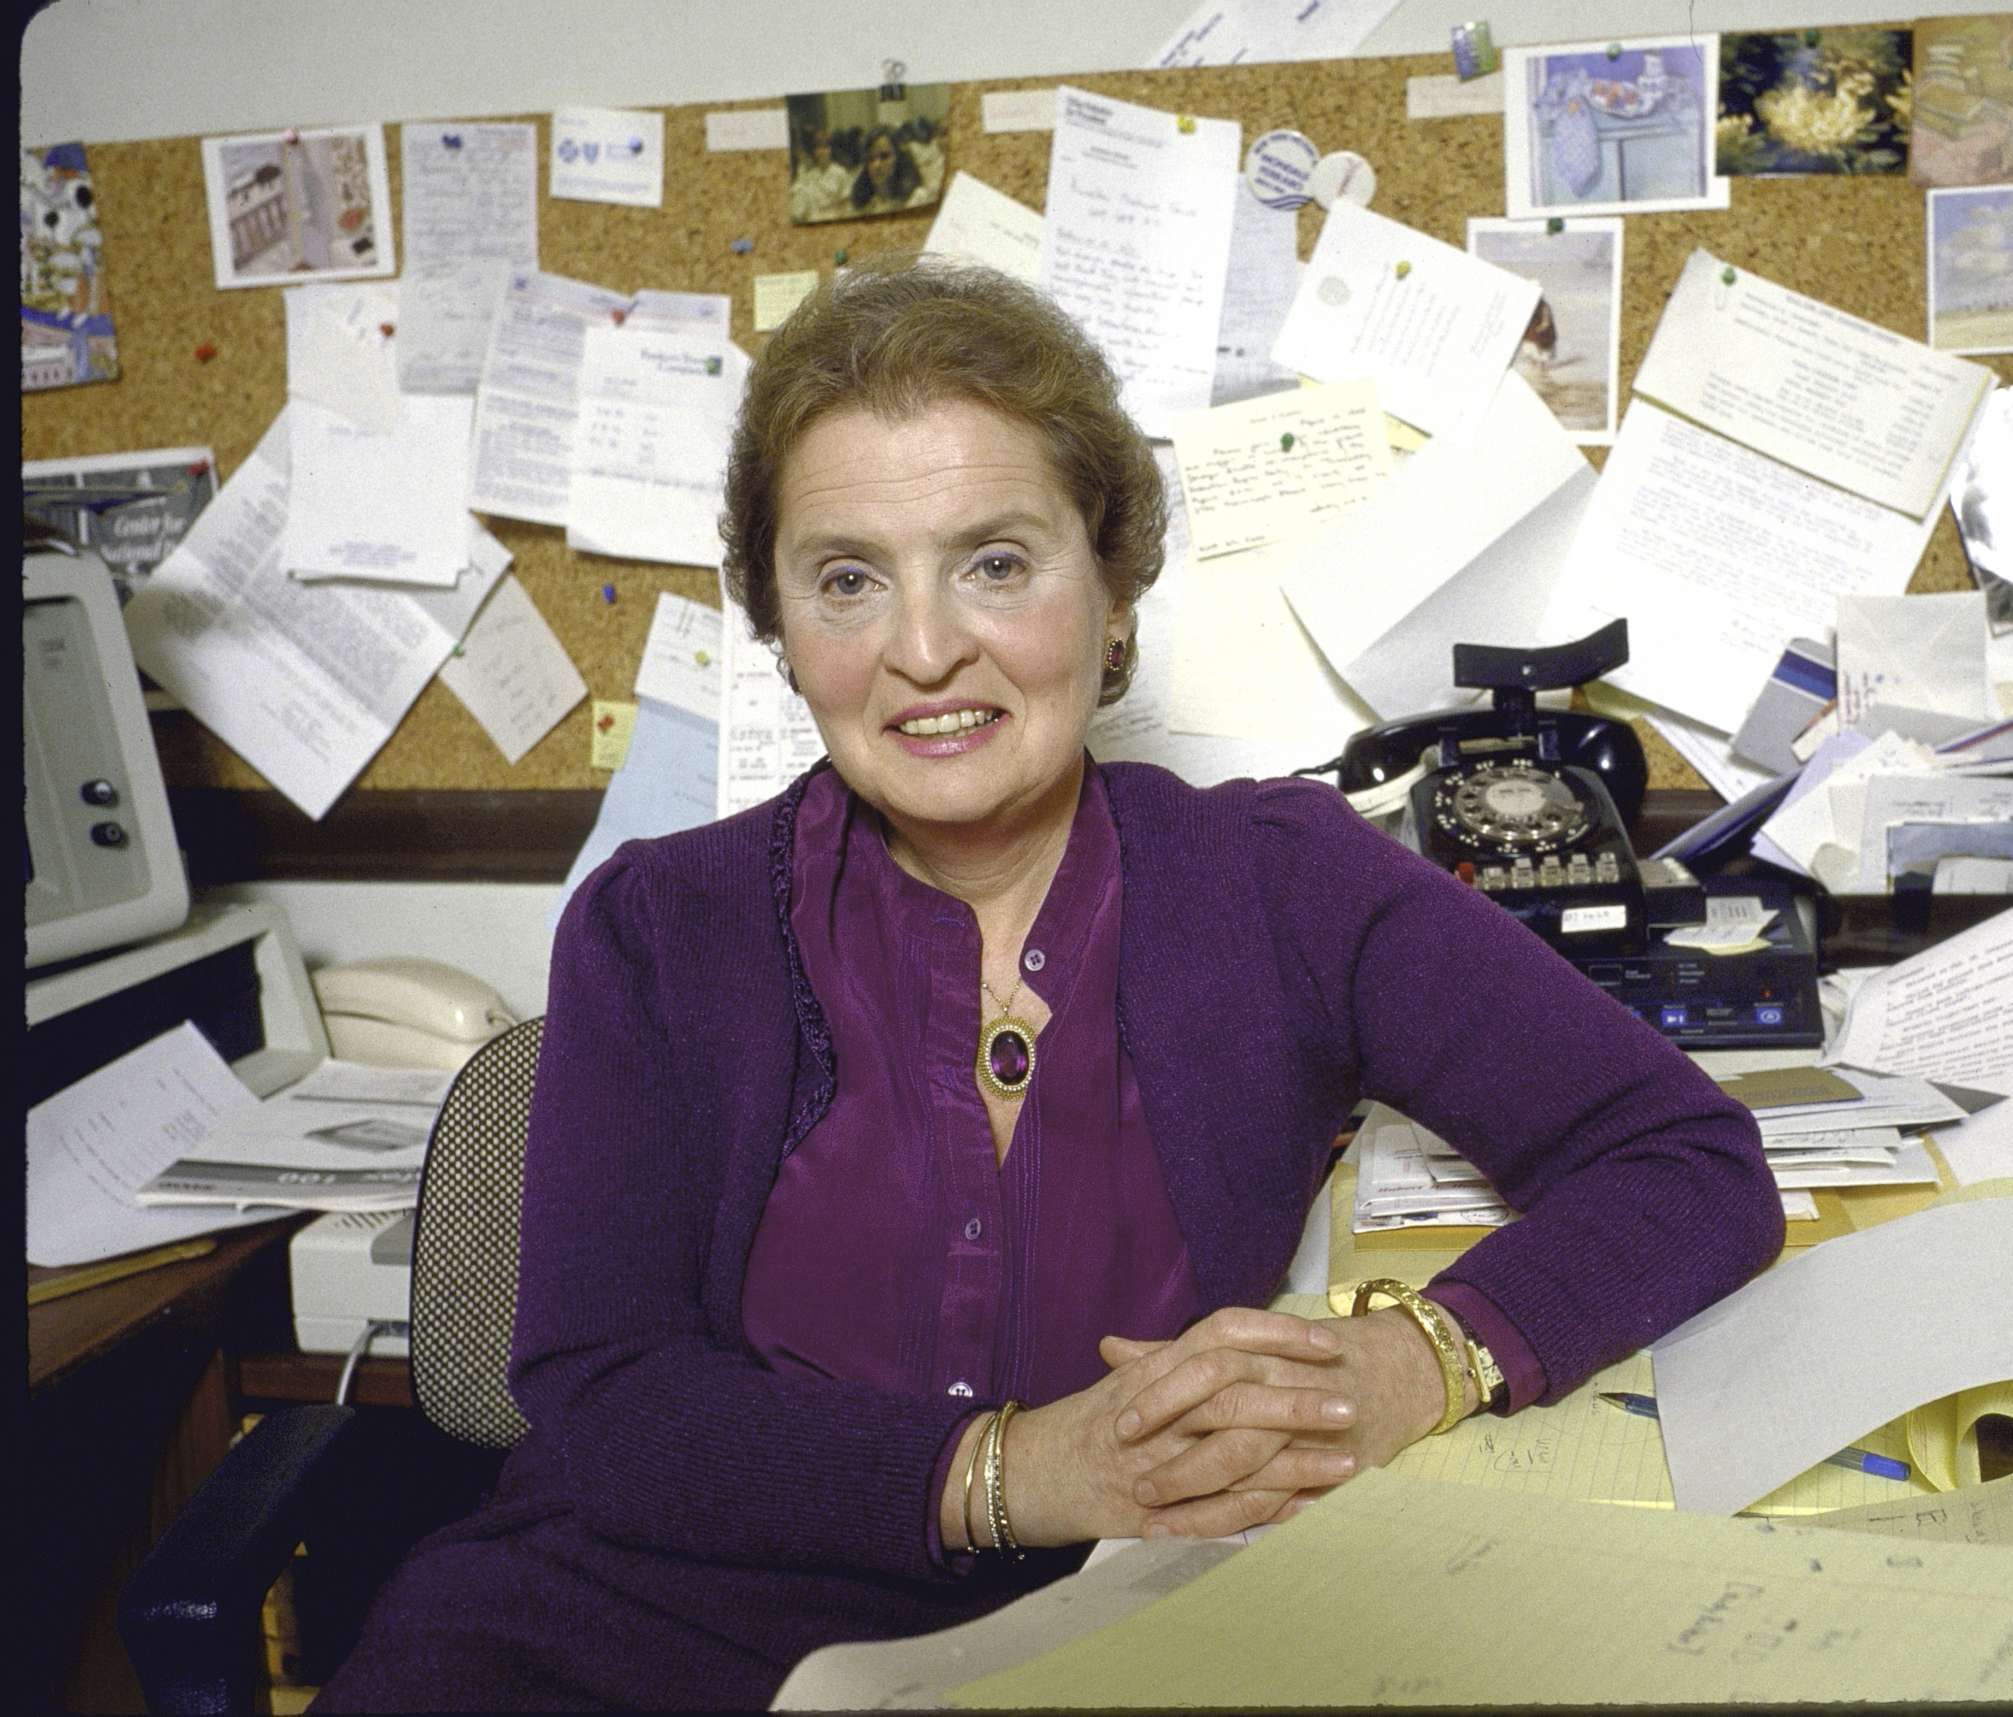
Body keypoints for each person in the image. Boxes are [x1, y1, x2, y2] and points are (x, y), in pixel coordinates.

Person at [312, 256, 1782, 1710]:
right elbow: (608, 1405)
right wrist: (1020, 1470)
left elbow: (1687, 1160)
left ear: (1115, 590)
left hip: (1104, 1635)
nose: (926, 649)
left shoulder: (1281, 880)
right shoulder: (654, 927)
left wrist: (1404, 1366)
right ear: (778, 629)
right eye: (847, 581)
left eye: (996, 563)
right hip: (623, 1629)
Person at [850, 124, 928, 216]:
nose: (876, 165)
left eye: (884, 156)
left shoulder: (918, 198)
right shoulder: (863, 205)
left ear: (899, 157)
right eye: (870, 159)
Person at [786, 126, 855, 224]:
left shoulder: (840, 173)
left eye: (825, 147)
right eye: (818, 148)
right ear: (814, 151)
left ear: (830, 150)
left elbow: (846, 202)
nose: (822, 152)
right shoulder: (809, 175)